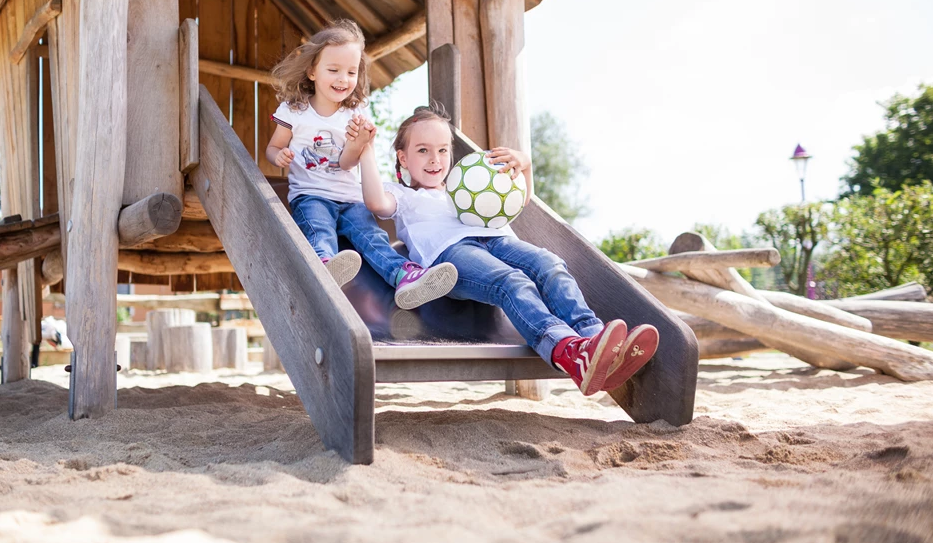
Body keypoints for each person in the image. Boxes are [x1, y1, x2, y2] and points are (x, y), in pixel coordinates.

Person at [351, 104, 659, 395]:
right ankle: (567, 350)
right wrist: (366, 150)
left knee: (549, 263)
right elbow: (376, 203)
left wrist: (525, 166)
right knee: (511, 281)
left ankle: (594, 339)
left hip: (497, 240)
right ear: (403, 158)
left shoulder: (467, 185)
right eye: (423, 151)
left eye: (443, 150)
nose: (435, 160)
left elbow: (519, 201)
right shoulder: (401, 194)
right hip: (451, 256)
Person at [264, 20, 457, 309]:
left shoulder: (355, 113)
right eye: (334, 70)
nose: (343, 79)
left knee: (372, 236)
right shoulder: (295, 111)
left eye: (351, 72)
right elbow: (273, 146)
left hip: (350, 198)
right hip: (311, 194)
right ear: (312, 71)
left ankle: (404, 276)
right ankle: (324, 265)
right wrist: (277, 155)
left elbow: (345, 162)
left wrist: (360, 143)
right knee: (318, 227)